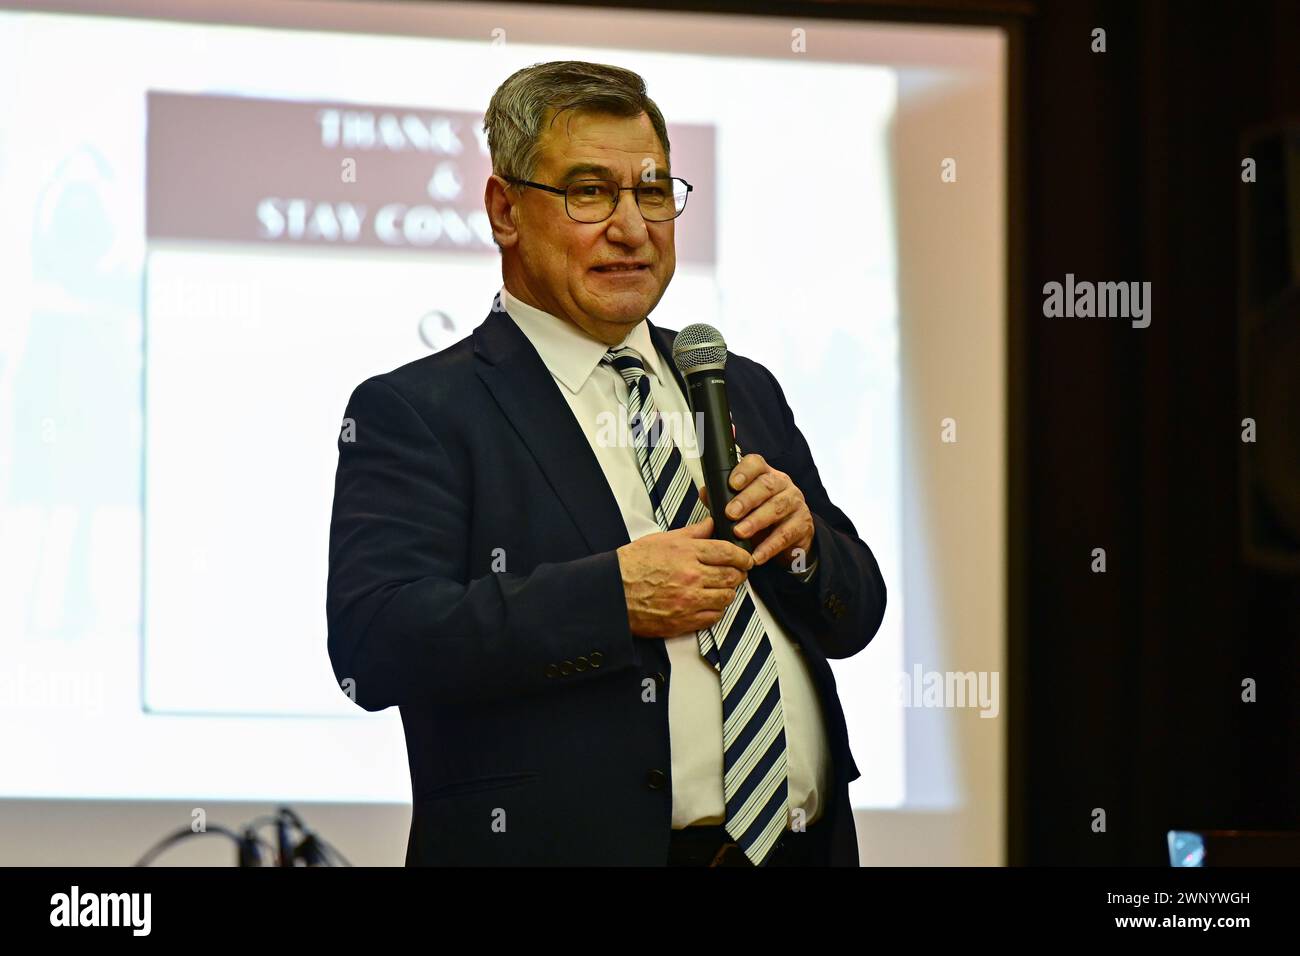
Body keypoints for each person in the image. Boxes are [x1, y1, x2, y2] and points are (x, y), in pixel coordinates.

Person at [326, 60, 887, 866]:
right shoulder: (422, 410)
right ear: (504, 210)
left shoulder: (735, 384)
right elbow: (376, 643)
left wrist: (804, 544)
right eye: (589, 192)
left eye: (652, 192)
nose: (632, 228)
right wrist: (611, 598)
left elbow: (856, 614)